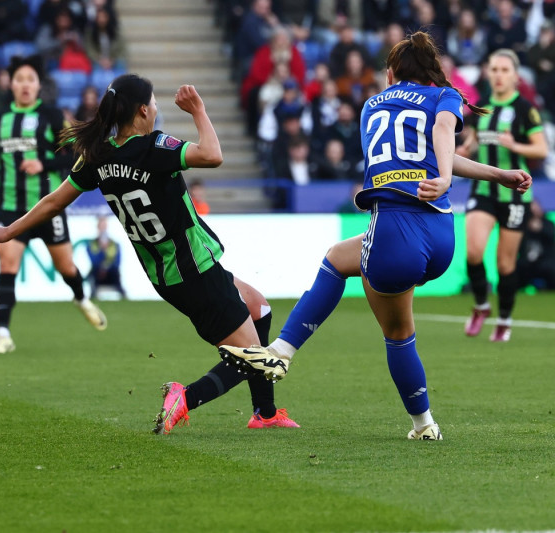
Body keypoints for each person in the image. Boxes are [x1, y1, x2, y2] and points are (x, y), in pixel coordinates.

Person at [219, 31, 532, 441]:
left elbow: (437, 137)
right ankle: (424, 427)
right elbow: (441, 135)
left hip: (394, 232)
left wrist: (442, 175)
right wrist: (497, 175)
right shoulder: (444, 95)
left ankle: (281, 351)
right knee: (380, 302)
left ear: (391, 74)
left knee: (349, 277)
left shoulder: (371, 105)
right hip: (440, 236)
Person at [0, 75, 298, 434]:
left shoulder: (99, 155)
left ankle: (265, 413)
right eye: (156, 103)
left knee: (259, 308)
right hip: (194, 268)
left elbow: (54, 201)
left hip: (167, 274)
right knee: (252, 358)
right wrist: (199, 111)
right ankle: (185, 397)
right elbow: (213, 154)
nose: (158, 109)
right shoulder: (153, 147)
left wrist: (9, 230)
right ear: (144, 110)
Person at [0, 55, 108, 355]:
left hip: (48, 205)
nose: (24, 84)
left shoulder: (52, 117)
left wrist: (44, 162)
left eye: (30, 79)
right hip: (9, 204)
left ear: (38, 85)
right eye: (19, 79)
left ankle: (81, 298)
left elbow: (75, 155)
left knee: (66, 267)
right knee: (7, 266)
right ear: (11, 84)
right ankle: (2, 334)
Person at [457, 49, 548, 342]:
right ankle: (482, 305)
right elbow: (471, 142)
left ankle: (504, 319)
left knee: (505, 264)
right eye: (493, 69)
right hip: (483, 191)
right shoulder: (480, 107)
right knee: (473, 251)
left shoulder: (525, 109)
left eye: (504, 70)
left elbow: (541, 149)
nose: (498, 75)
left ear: (516, 76)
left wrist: (514, 145)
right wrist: (465, 150)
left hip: (515, 196)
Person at [517, 200, 555, 291]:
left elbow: (551, 237)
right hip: (526, 262)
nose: (534, 211)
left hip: (545, 261)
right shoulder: (521, 225)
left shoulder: (548, 224)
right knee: (515, 268)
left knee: (551, 268)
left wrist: (541, 229)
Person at [86, 215, 125, 299]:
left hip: (111, 273)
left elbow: (117, 262)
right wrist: (102, 250)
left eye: (104, 226)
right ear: (97, 228)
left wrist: (106, 268)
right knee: (95, 271)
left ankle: (123, 295)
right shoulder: (92, 244)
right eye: (101, 226)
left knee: (115, 271)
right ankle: (93, 296)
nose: (103, 229)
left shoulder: (115, 244)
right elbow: (94, 261)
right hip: (97, 273)